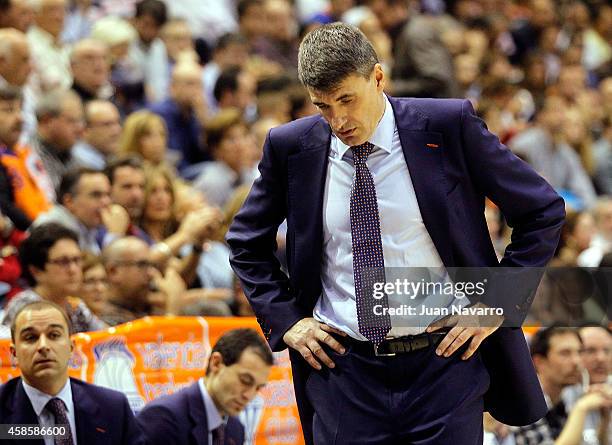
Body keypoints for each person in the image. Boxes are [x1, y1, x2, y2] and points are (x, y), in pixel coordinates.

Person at [226, 23, 566, 444]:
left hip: (444, 362)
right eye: (323, 106)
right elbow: (245, 243)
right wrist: (288, 320)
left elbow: (542, 209)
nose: (339, 119)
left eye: (347, 99)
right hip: (343, 370)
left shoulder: (447, 125)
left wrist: (496, 300)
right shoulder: (290, 147)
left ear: (379, 77)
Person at [0, 300, 144, 444]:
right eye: (31, 338)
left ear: (71, 347)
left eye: (54, 335)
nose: (43, 346)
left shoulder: (113, 408)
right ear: (14, 353)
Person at [136, 327, 273, 445]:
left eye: (258, 388)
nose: (249, 395)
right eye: (245, 380)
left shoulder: (236, 429)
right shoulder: (164, 418)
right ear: (216, 363)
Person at [1, 222, 106, 334]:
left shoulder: (75, 306)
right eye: (63, 262)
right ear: (36, 271)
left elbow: (108, 338)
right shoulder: (25, 309)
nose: (73, 269)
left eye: (76, 260)